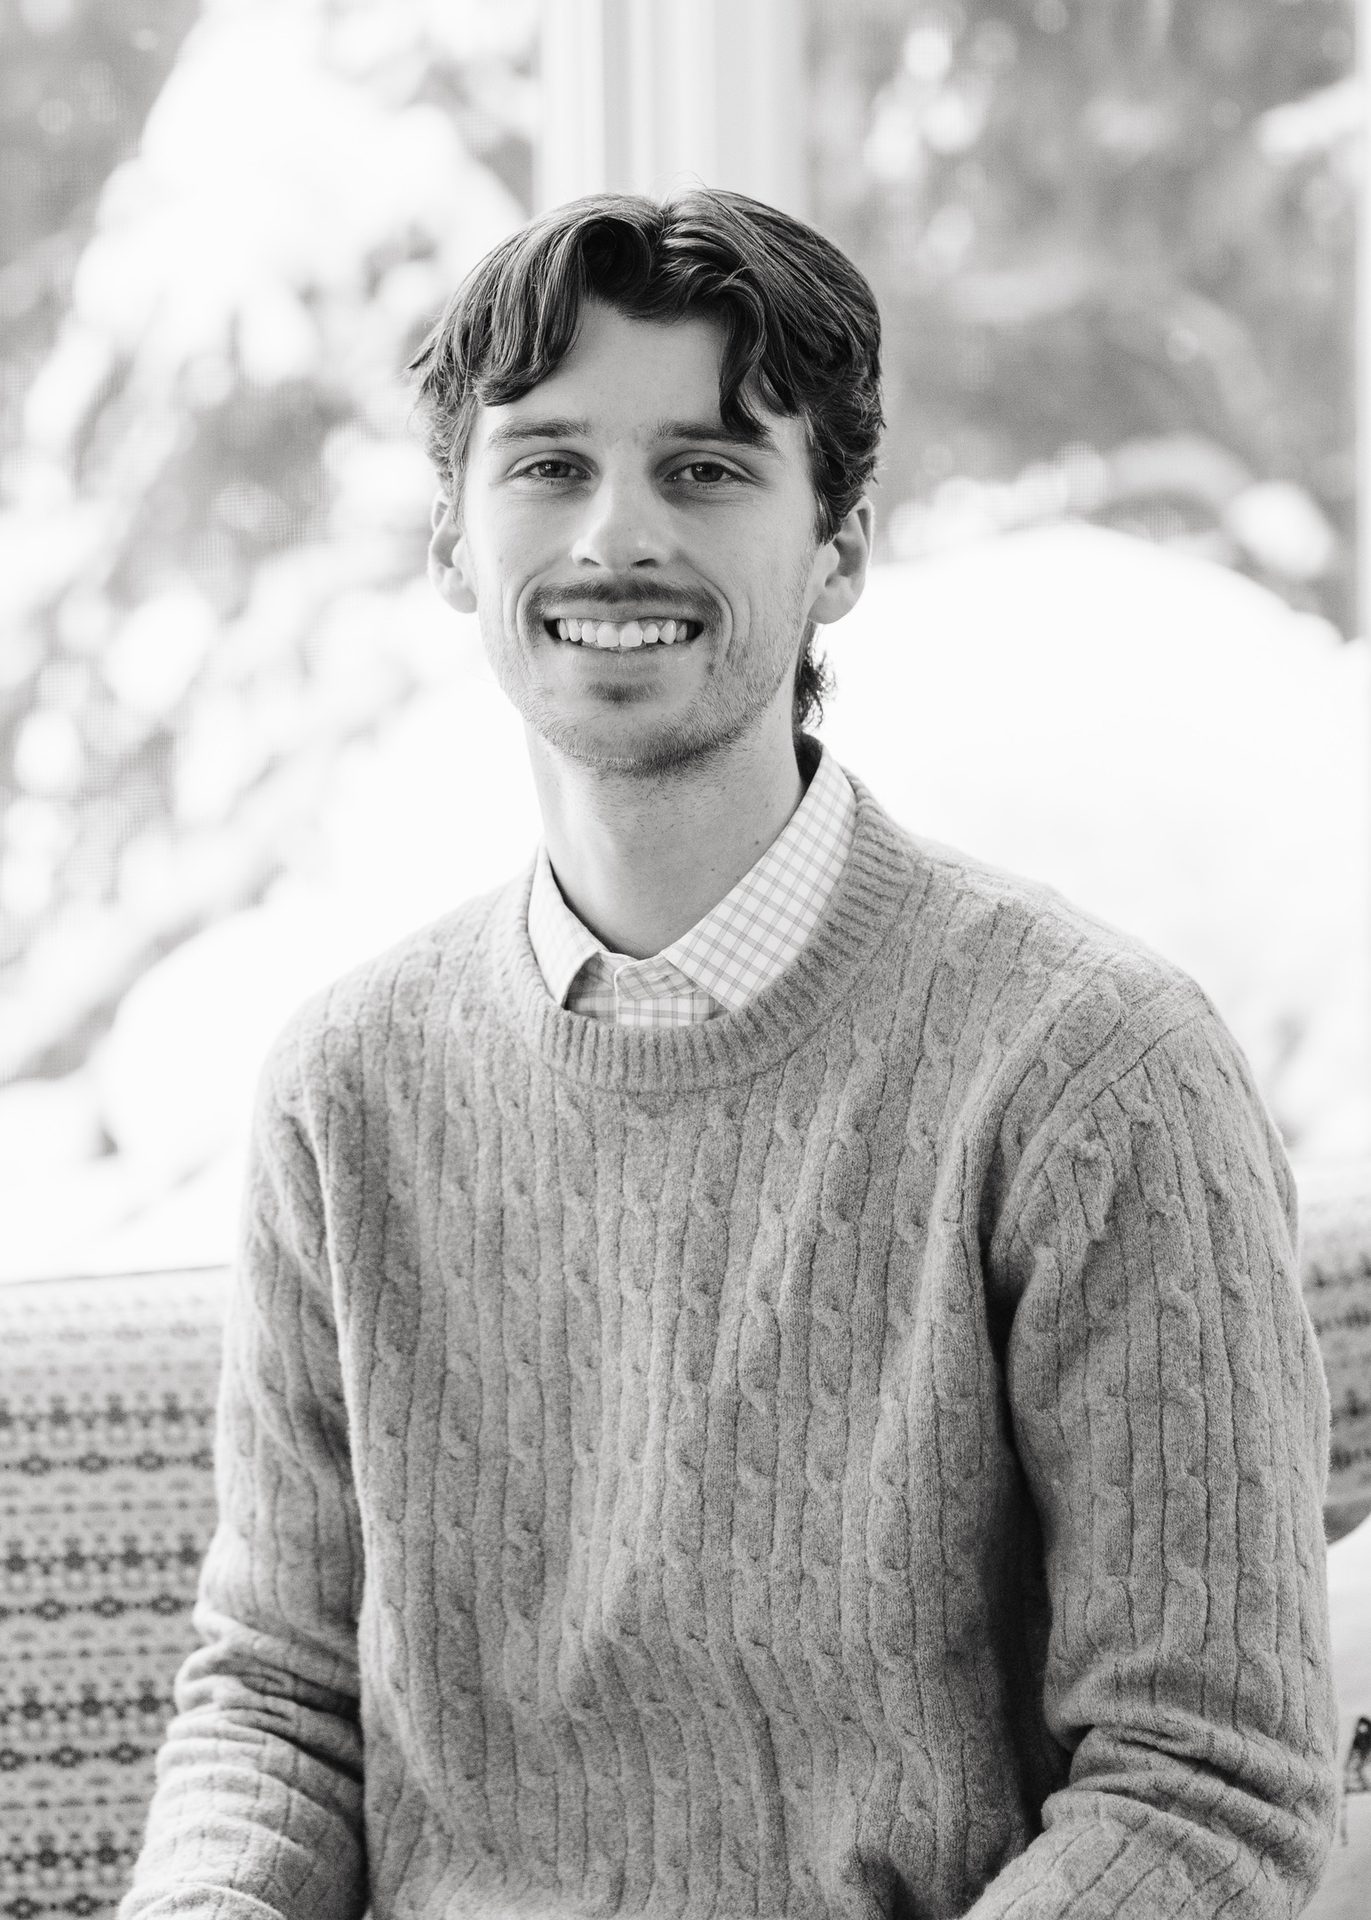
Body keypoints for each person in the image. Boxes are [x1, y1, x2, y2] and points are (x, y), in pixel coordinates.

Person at [120, 189, 1338, 1920]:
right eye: (547, 466)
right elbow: (281, 1706)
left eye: (705, 469)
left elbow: (1209, 1790)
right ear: (457, 544)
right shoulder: (345, 1086)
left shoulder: (1095, 1072)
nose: (616, 536)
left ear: (839, 543)